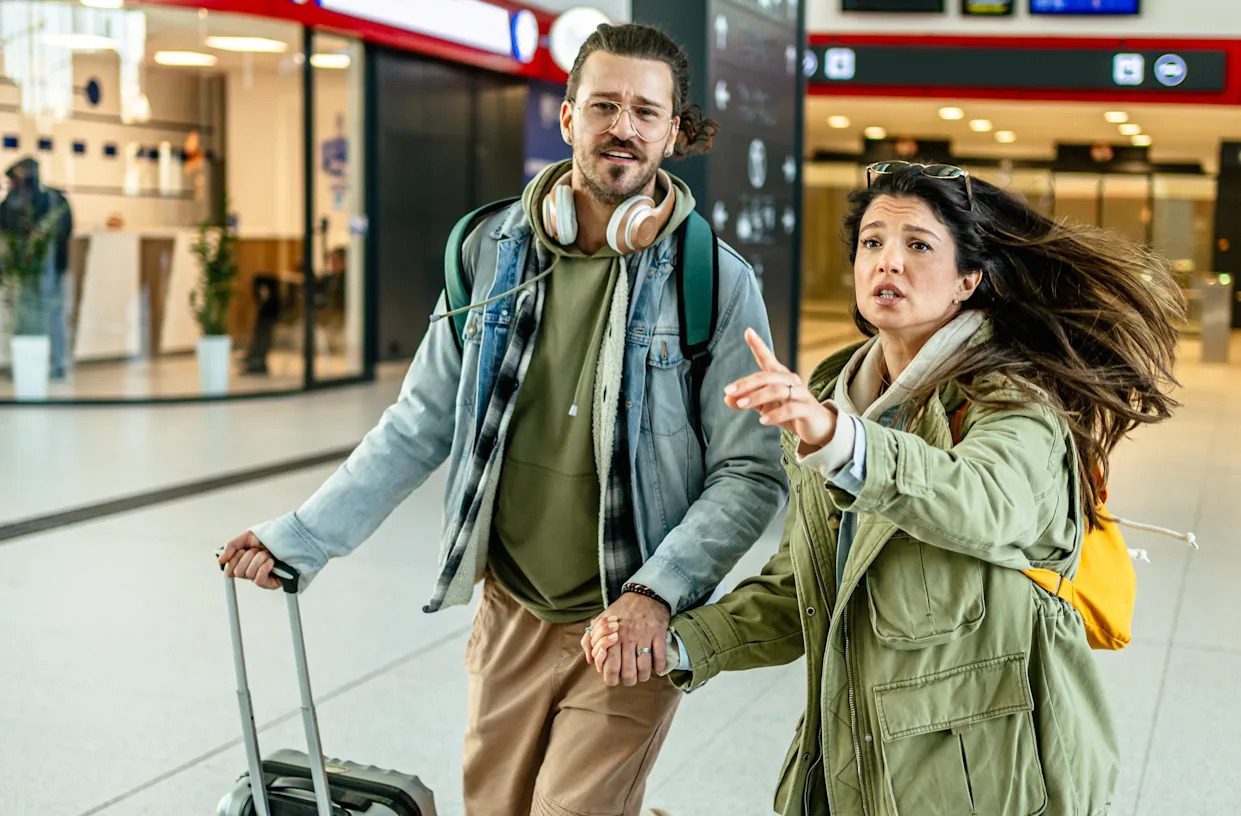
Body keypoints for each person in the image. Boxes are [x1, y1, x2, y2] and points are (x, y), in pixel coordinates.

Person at [218, 23, 785, 816]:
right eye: (604, 105)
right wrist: (303, 537)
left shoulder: (714, 281)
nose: (623, 126)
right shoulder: (489, 250)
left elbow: (751, 472)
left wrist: (658, 594)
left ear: (674, 132)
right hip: (510, 605)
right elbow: (420, 422)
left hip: (627, 619)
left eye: (645, 113)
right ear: (567, 116)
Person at [587, 161, 1183, 814]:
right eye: (872, 242)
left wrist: (842, 441)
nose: (886, 262)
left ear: (968, 279)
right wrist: (677, 642)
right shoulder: (826, 395)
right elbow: (800, 589)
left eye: (917, 245)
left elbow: (984, 498)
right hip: (849, 764)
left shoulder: (1013, 400)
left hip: (983, 779)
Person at [0, 157, 73, 379]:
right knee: (22, 316)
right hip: (21, 273)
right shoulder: (11, 204)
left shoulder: (53, 200)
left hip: (48, 270)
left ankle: (55, 363)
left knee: (49, 314)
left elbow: (64, 231)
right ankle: (27, 364)